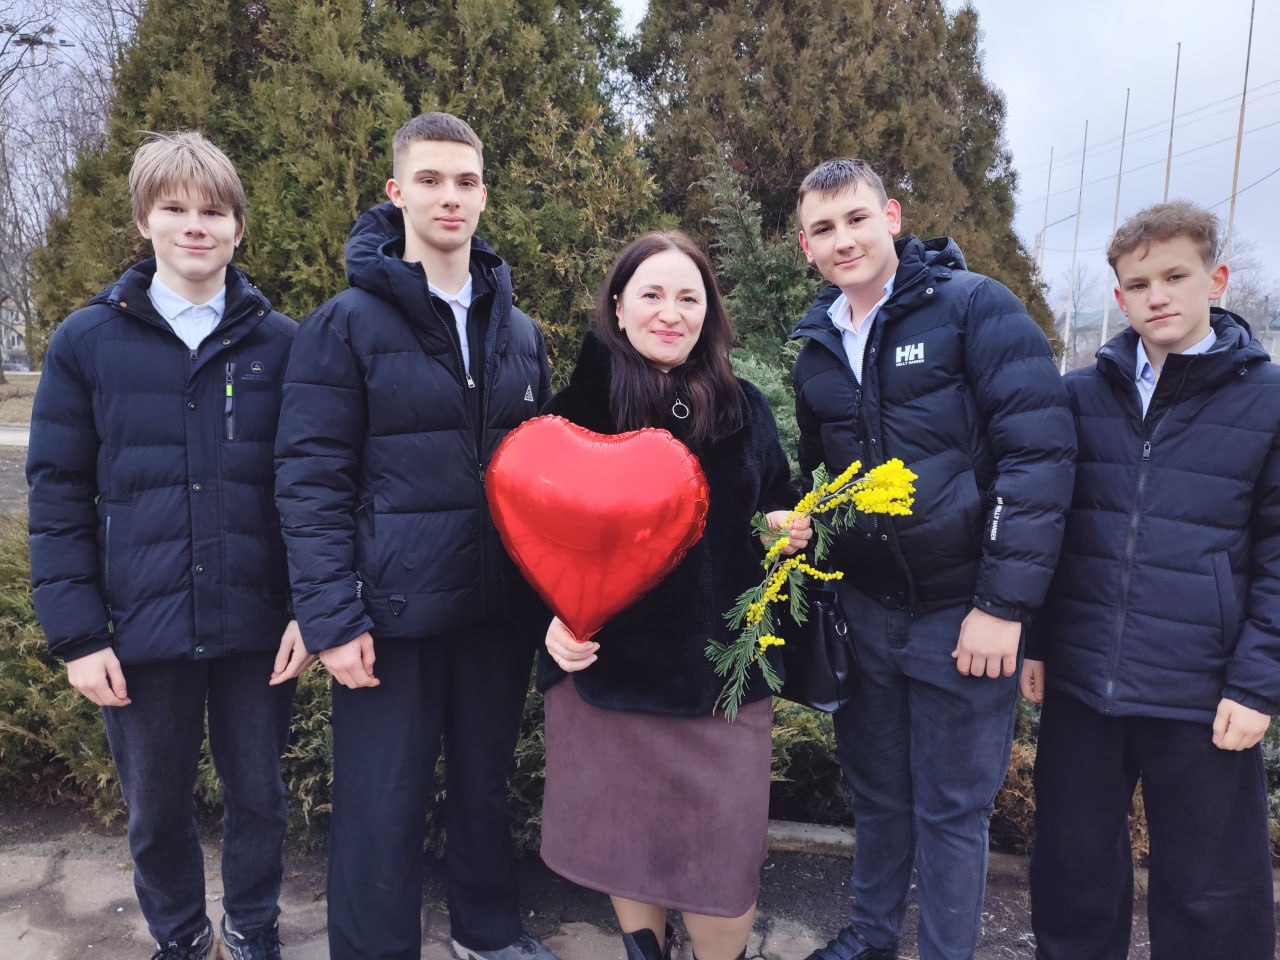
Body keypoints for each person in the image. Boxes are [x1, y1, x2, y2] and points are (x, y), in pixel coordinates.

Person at [273, 112, 556, 960]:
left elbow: (542, 476)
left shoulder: (519, 333)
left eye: (465, 181)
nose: (449, 197)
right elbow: (311, 479)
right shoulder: (345, 324)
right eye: (430, 180)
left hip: (493, 614)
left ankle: (487, 935)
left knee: (485, 789)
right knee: (380, 805)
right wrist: (331, 617)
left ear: (484, 195)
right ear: (397, 193)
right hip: (387, 620)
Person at [26, 131, 307, 960]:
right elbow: (58, 496)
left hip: (257, 625)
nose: (195, 225)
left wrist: (310, 609)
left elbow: (312, 488)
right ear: (144, 220)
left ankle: (252, 928)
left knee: (260, 797)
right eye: (175, 208)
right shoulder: (86, 342)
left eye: (213, 211)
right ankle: (181, 938)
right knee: (155, 808)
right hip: (138, 630)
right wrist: (78, 637)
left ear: (238, 228)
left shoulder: (284, 345)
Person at [790, 158, 1075, 960]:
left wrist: (1003, 607)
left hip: (963, 617)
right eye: (823, 229)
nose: (843, 240)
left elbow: (1038, 460)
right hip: (867, 615)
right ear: (806, 246)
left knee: (952, 811)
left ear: (892, 217)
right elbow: (825, 479)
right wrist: (805, 528)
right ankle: (871, 936)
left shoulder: (975, 308)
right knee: (878, 795)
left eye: (856, 218)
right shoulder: (818, 348)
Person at [539, 230, 811, 960]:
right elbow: (529, 539)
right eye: (652, 295)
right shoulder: (574, 413)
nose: (671, 313)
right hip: (611, 679)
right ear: (618, 307)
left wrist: (783, 527)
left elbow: (773, 500)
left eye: (689, 297)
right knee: (629, 847)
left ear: (708, 312)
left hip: (722, 682)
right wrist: (549, 622)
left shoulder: (743, 408)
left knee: (723, 866)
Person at [1023, 201, 1279, 960]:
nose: (1157, 296)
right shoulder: (1079, 396)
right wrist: (1040, 640)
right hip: (1082, 685)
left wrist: (1257, 684)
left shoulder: (1267, 402)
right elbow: (1052, 529)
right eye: (1138, 284)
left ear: (1216, 280)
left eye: (1175, 276)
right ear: (1119, 297)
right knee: (1071, 875)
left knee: (1211, 894)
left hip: (1203, 692)